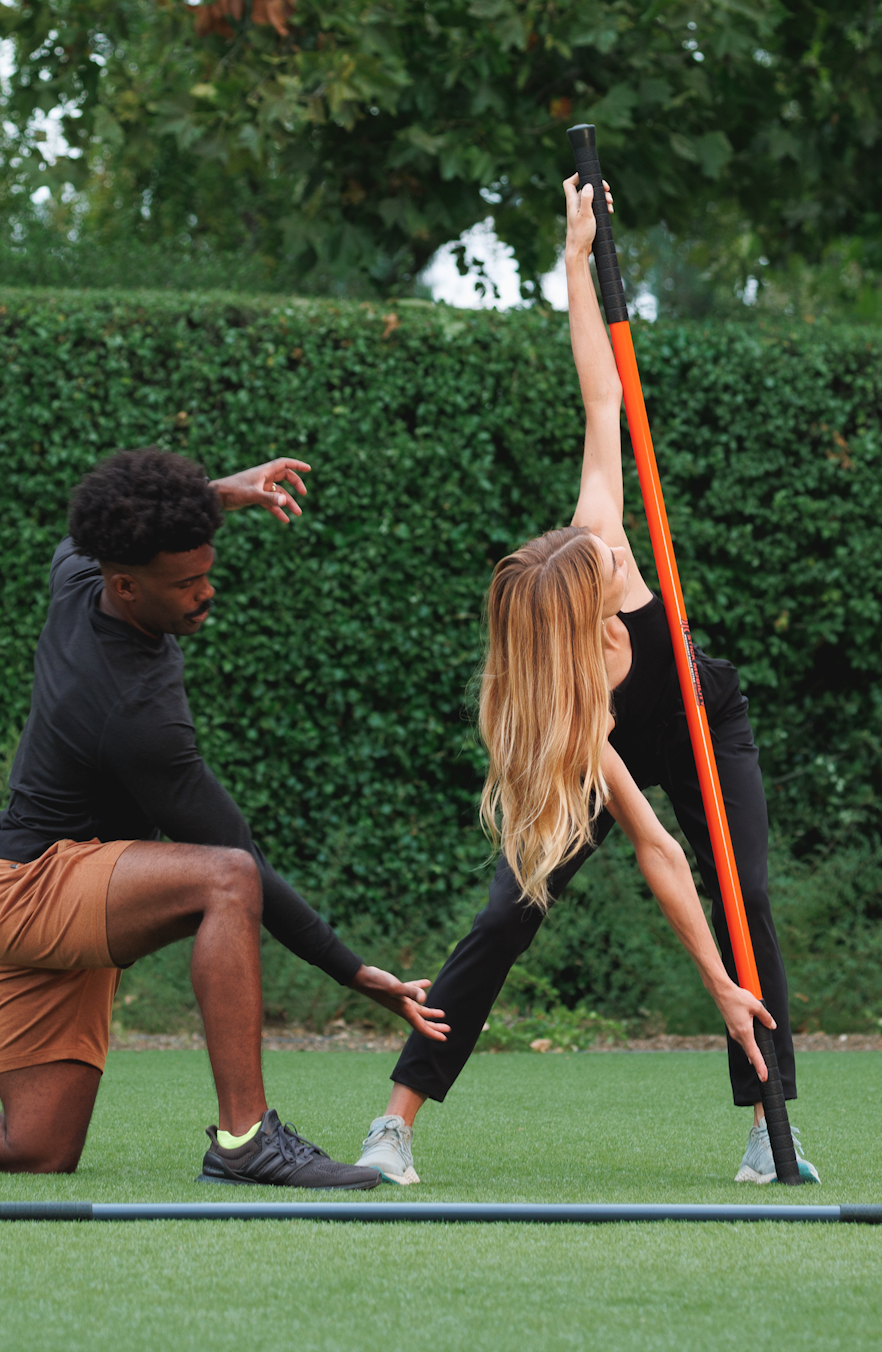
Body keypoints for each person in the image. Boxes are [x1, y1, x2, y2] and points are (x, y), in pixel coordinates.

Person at [0, 449, 448, 1188]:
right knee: (226, 879)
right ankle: (246, 1139)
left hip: (25, 892)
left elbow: (89, 535)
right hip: (34, 890)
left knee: (35, 1149)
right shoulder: (134, 715)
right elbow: (239, 854)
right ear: (128, 586)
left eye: (207, 571)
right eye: (184, 584)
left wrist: (216, 497)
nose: (205, 594)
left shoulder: (80, 574)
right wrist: (353, 969)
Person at [356, 175, 820, 1188]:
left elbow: (598, 385)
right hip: (609, 739)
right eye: (605, 581)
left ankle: (766, 1123)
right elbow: (654, 851)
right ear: (572, 625)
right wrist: (710, 981)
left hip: (699, 712)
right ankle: (394, 1124)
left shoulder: (596, 528)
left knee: (744, 892)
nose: (616, 568)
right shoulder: (569, 703)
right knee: (506, 912)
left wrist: (576, 253)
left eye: (606, 562)